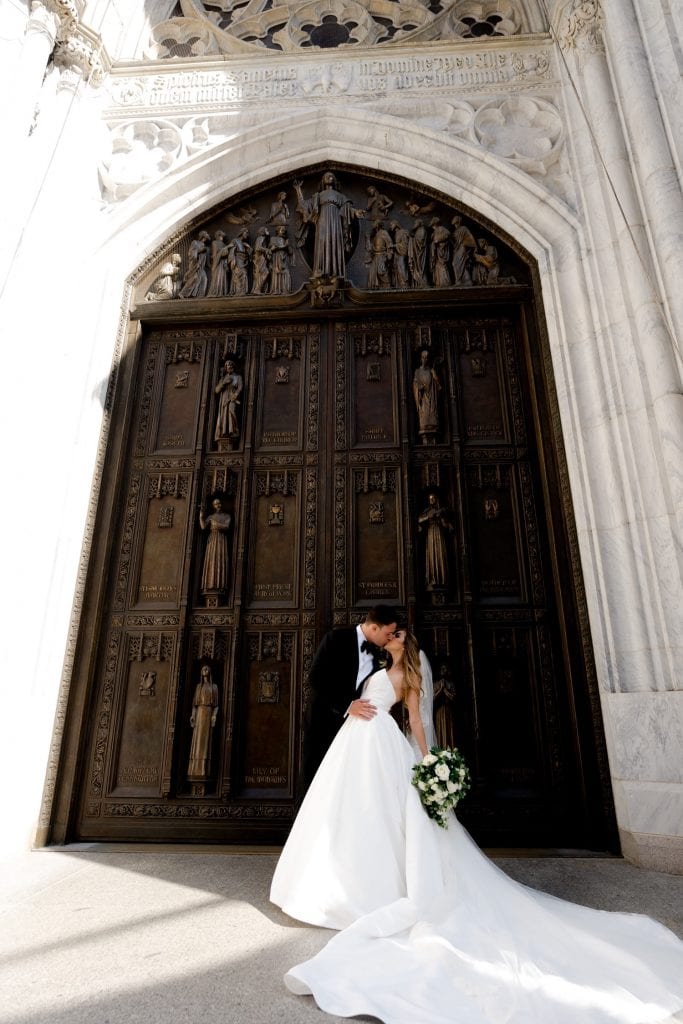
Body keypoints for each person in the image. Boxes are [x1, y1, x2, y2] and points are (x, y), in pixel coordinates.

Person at [271, 631, 683, 1024]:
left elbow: (415, 720)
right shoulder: (376, 668)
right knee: (357, 812)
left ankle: (376, 886)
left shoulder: (411, 678)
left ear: (405, 645)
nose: (391, 638)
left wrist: (429, 759)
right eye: (389, 634)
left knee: (391, 819)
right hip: (359, 742)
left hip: (384, 746)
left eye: (397, 636)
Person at [301, 605, 398, 789]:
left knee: (342, 783)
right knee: (313, 778)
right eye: (388, 633)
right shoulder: (336, 638)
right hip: (322, 721)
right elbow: (315, 678)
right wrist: (347, 706)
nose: (390, 637)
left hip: (353, 729)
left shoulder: (379, 654)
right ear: (374, 627)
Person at [187, 665, 219, 779]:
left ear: (210, 672)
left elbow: (216, 705)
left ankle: (204, 769)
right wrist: (193, 715)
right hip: (200, 714)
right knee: (197, 740)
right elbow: (194, 705)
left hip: (208, 713)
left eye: (206, 669)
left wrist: (214, 716)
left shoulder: (214, 687)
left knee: (206, 742)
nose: (205, 670)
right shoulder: (198, 687)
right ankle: (195, 769)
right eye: (203, 669)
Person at [198, 497, 231, 595]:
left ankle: (220, 586)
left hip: (221, 539)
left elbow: (227, 526)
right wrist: (201, 517)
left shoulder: (226, 516)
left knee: (220, 559)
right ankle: (209, 585)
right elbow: (203, 527)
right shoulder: (211, 516)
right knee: (211, 560)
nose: (218, 506)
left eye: (219, 503)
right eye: (216, 504)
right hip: (212, 539)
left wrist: (216, 524)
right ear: (213, 506)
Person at [214, 359, 243, 441]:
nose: (229, 367)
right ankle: (224, 432)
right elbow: (216, 390)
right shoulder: (223, 378)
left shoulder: (238, 377)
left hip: (232, 398)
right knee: (223, 415)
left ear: (233, 367)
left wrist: (236, 394)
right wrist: (224, 383)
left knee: (232, 411)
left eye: (230, 365)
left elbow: (240, 387)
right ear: (226, 368)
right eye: (227, 366)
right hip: (224, 399)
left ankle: (233, 431)